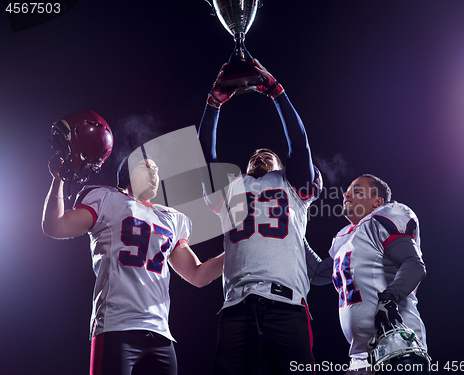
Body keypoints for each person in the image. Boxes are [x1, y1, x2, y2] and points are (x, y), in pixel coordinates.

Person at [42, 150, 224, 375]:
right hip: (116, 325)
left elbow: (197, 275)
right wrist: (58, 178)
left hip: (160, 334)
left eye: (156, 169)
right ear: (127, 173)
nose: (154, 172)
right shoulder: (107, 199)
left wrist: (237, 247)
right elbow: (55, 225)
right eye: (146, 167)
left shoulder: (172, 218)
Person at [197, 59, 323, 375]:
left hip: (287, 305)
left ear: (283, 165)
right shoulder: (232, 188)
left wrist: (276, 92)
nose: (259, 154)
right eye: (254, 155)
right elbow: (203, 160)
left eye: (268, 155)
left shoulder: (293, 185)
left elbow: (299, 142)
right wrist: (212, 106)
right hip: (236, 308)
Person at [319, 174, 430, 375]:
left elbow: (414, 265)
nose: (346, 194)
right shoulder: (343, 239)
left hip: (398, 346)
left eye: (357, 191)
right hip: (360, 358)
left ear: (377, 202)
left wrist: (388, 299)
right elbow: (316, 273)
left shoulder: (382, 217)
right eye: (348, 190)